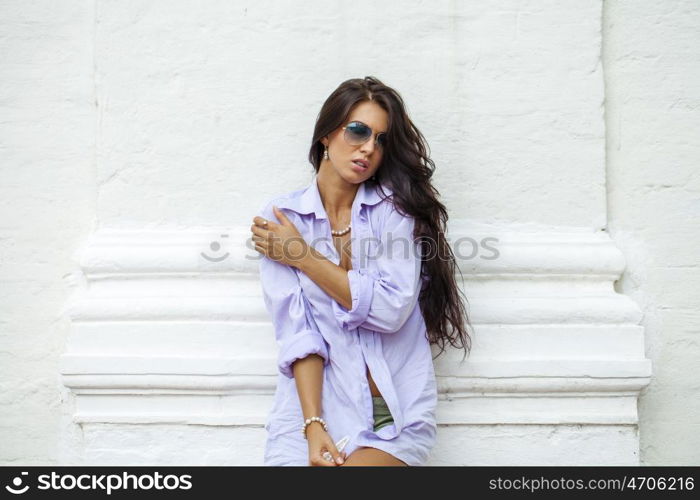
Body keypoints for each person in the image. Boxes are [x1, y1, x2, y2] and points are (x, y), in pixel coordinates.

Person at [250, 76, 472, 466]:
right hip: (311, 412)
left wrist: (301, 255)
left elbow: (390, 308)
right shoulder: (283, 218)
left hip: (391, 415)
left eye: (381, 139)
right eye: (358, 131)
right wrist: (313, 424)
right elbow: (298, 332)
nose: (369, 147)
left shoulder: (394, 212)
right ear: (326, 135)